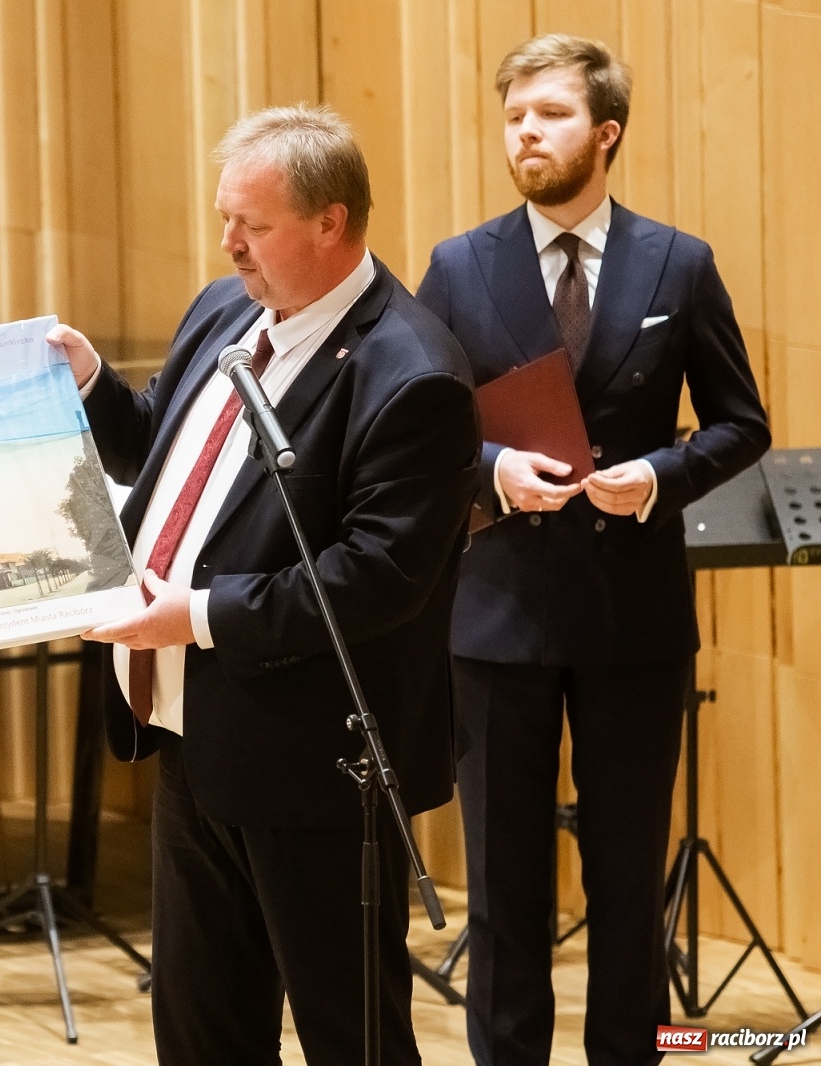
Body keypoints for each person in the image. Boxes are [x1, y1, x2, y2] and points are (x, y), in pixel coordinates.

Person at [48, 105, 479, 1066]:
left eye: (254, 224)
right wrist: (92, 389)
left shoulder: (412, 375)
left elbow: (375, 578)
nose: (230, 244)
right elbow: (162, 443)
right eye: (224, 220)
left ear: (332, 222)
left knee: (349, 1034)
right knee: (201, 1030)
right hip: (193, 737)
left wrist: (192, 617)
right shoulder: (225, 309)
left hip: (315, 764)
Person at [415, 34, 770, 1066]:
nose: (525, 132)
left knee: (626, 884)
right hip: (494, 616)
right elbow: (416, 428)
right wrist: (489, 473)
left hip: (632, 620)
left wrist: (660, 476)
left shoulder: (678, 262)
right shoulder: (458, 265)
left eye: (551, 114)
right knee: (504, 887)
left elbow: (739, 422)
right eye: (514, 115)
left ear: (604, 131)